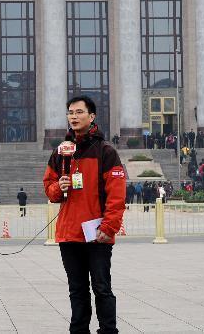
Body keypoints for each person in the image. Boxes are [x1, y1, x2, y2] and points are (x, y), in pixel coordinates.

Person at [44, 95, 126, 334]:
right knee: (77, 290)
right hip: (69, 233)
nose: (74, 117)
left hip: (97, 234)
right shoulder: (61, 152)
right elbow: (49, 189)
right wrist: (60, 186)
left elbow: (117, 196)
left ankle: (108, 330)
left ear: (92, 117)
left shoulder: (106, 152)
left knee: (101, 288)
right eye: (70, 112)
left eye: (79, 112)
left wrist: (108, 227)